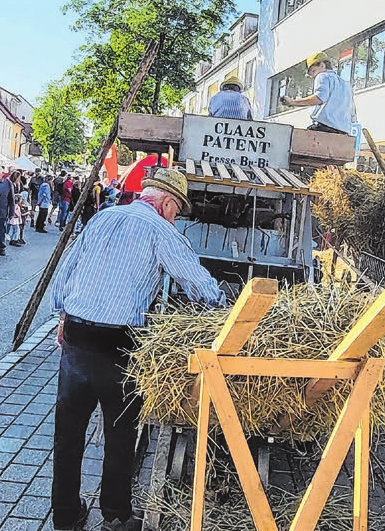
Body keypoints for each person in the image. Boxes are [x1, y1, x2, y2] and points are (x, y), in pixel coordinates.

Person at [50, 168, 225, 531]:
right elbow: (195, 281)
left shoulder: (103, 216)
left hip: (77, 337)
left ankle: (65, 515)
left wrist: (62, 315)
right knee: (120, 433)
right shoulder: (160, 229)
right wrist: (223, 308)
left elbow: (67, 267)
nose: (175, 217)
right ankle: (115, 515)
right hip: (119, 344)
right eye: (177, 210)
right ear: (165, 203)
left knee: (68, 433)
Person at [278, 51, 356, 134]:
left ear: (322, 65)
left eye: (313, 71)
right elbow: (352, 112)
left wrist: (293, 102)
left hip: (324, 128)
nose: (313, 76)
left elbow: (319, 98)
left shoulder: (323, 76)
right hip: (343, 132)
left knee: (296, 141)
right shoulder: (346, 85)